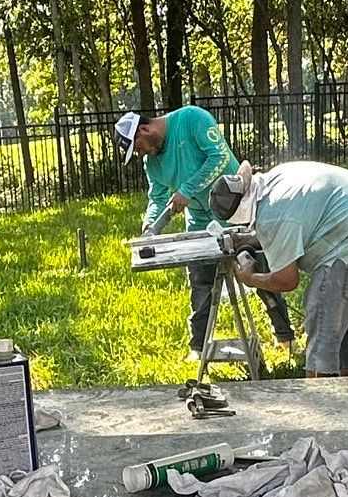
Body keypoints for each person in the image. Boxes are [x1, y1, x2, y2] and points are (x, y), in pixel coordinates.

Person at [120, 106, 295, 358]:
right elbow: (157, 197)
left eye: (138, 147)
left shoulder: (192, 119)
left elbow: (219, 157)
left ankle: (284, 337)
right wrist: (150, 224)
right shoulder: (152, 164)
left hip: (237, 210)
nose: (141, 154)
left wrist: (187, 189)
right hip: (200, 221)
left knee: (262, 272)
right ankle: (198, 346)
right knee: (201, 283)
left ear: (144, 129)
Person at [211, 157, 348, 376]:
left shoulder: (272, 216)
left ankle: (321, 404)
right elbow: (298, 219)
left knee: (322, 347)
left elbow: (286, 280)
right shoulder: (276, 178)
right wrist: (251, 239)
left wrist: (250, 278)